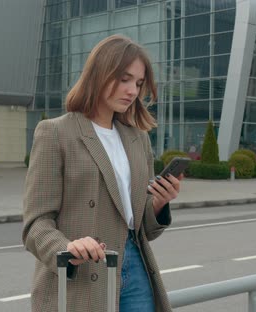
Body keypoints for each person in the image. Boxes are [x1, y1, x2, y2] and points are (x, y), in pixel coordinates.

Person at [22, 34, 183, 312]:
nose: (132, 90)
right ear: (100, 73)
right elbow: (36, 223)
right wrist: (67, 247)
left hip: (134, 264)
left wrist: (158, 204)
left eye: (139, 83)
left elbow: (138, 226)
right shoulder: (56, 133)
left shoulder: (138, 139)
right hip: (82, 274)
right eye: (124, 79)